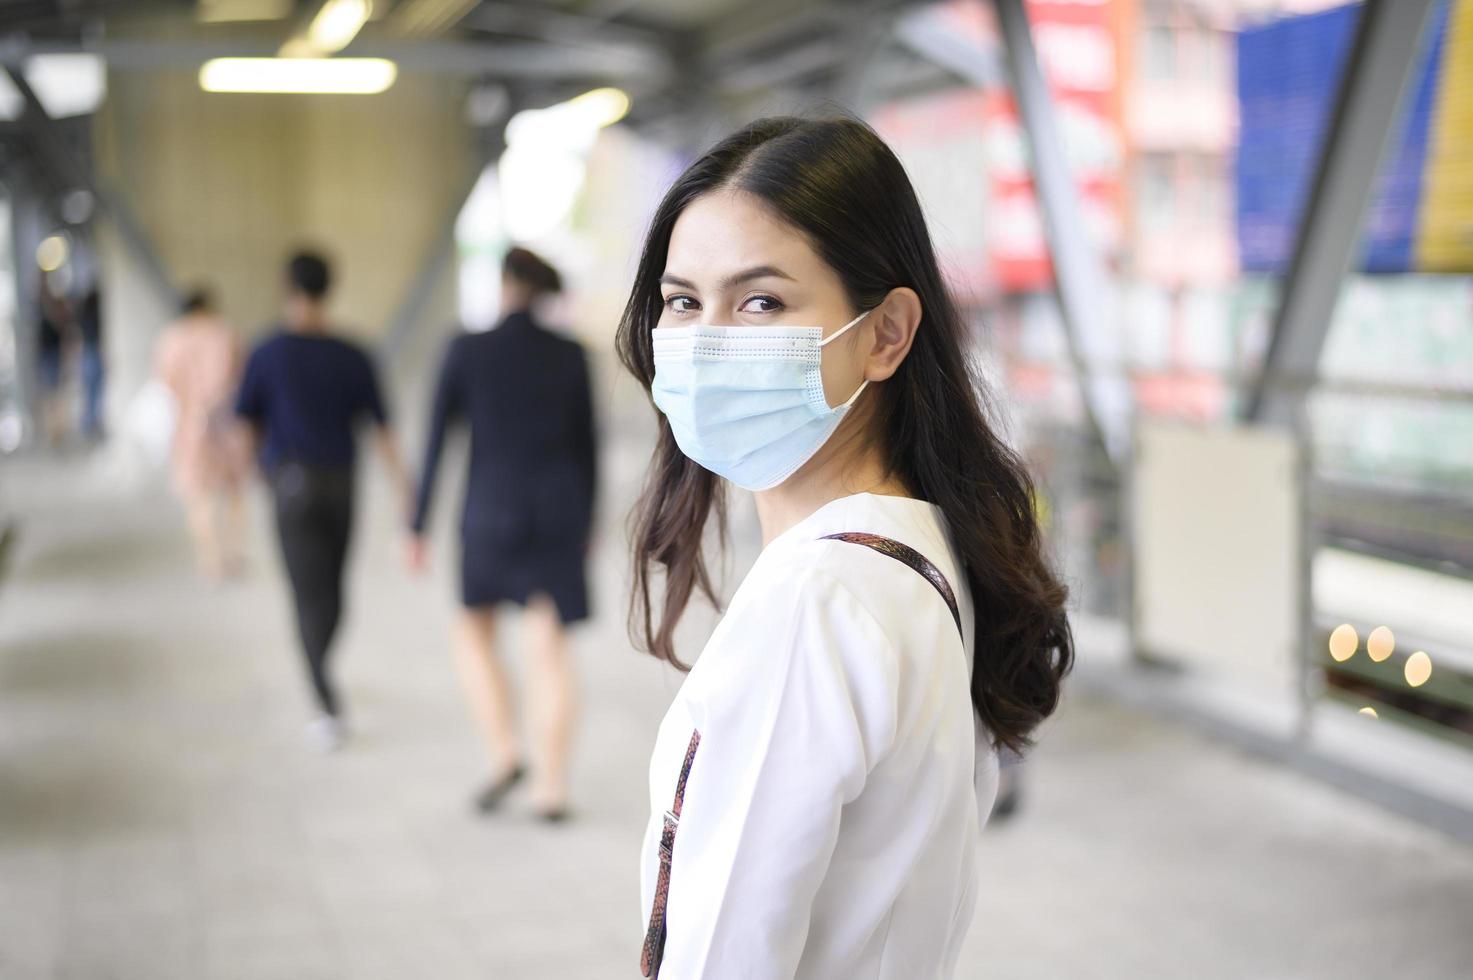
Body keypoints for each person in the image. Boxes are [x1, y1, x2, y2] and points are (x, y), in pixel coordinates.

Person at [618, 116, 1074, 979]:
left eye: (761, 301)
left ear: (886, 333)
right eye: (683, 301)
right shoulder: (920, 550)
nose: (708, 339)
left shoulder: (818, 597)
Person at [408, 247, 597, 821]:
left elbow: (437, 442)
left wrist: (416, 525)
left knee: (474, 634)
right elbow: (587, 447)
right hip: (557, 514)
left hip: (489, 512)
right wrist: (587, 522)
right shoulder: (572, 356)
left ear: (505, 283)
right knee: (548, 648)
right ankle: (552, 786)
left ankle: (505, 751)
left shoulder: (467, 349)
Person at [236, 251, 410, 751]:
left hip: (291, 483)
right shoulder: (353, 353)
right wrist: (403, 489)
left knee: (309, 595)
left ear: (286, 287)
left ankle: (322, 692)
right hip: (342, 484)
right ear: (329, 288)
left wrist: (256, 477)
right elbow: (383, 432)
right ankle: (326, 695)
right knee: (331, 594)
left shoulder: (265, 352)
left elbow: (246, 424)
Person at [153, 287, 249, 580]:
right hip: (226, 425)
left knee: (199, 496)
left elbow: (164, 381)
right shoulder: (225, 334)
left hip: (189, 427)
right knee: (233, 491)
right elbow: (241, 378)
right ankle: (234, 552)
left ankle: (210, 561)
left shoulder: (171, 338)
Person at [78, 287, 106, 441]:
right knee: (94, 390)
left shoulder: (84, 314)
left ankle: (89, 423)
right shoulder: (93, 314)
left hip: (87, 354)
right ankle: (91, 423)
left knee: (90, 391)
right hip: (92, 352)